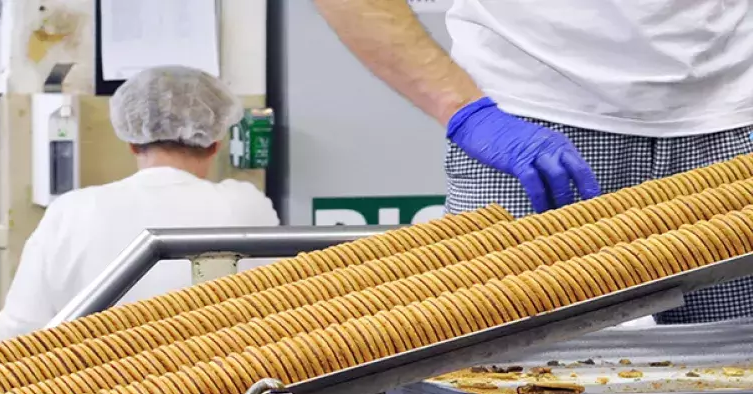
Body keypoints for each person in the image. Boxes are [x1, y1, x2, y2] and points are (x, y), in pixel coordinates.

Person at [314, 0, 753, 324]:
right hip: (531, 130)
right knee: (491, 378)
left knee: (736, 387)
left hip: (734, 126)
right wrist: (466, 113)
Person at [0, 66, 277, 341]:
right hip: (219, 385)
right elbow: (279, 315)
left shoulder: (71, 211)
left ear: (131, 141)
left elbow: (17, 331)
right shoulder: (246, 206)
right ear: (215, 143)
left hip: (95, 385)